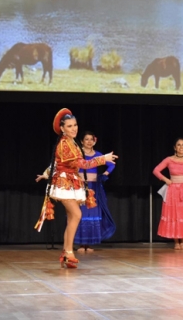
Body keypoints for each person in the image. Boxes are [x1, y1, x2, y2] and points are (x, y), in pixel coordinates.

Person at [35, 108, 118, 268]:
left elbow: (59, 163)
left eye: (75, 125)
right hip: (64, 184)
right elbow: (83, 164)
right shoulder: (65, 144)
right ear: (62, 128)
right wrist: (103, 159)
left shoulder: (71, 142)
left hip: (72, 183)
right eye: (69, 126)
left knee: (73, 217)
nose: (74, 128)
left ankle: (67, 253)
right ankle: (68, 252)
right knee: (77, 214)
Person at [74, 131, 116, 252]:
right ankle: (81, 244)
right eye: (86, 139)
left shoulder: (98, 154)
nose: (89, 141)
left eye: (91, 139)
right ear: (82, 141)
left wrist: (104, 174)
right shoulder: (78, 153)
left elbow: (111, 165)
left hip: (94, 188)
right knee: (80, 214)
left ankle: (90, 244)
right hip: (79, 187)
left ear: (95, 141)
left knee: (92, 214)